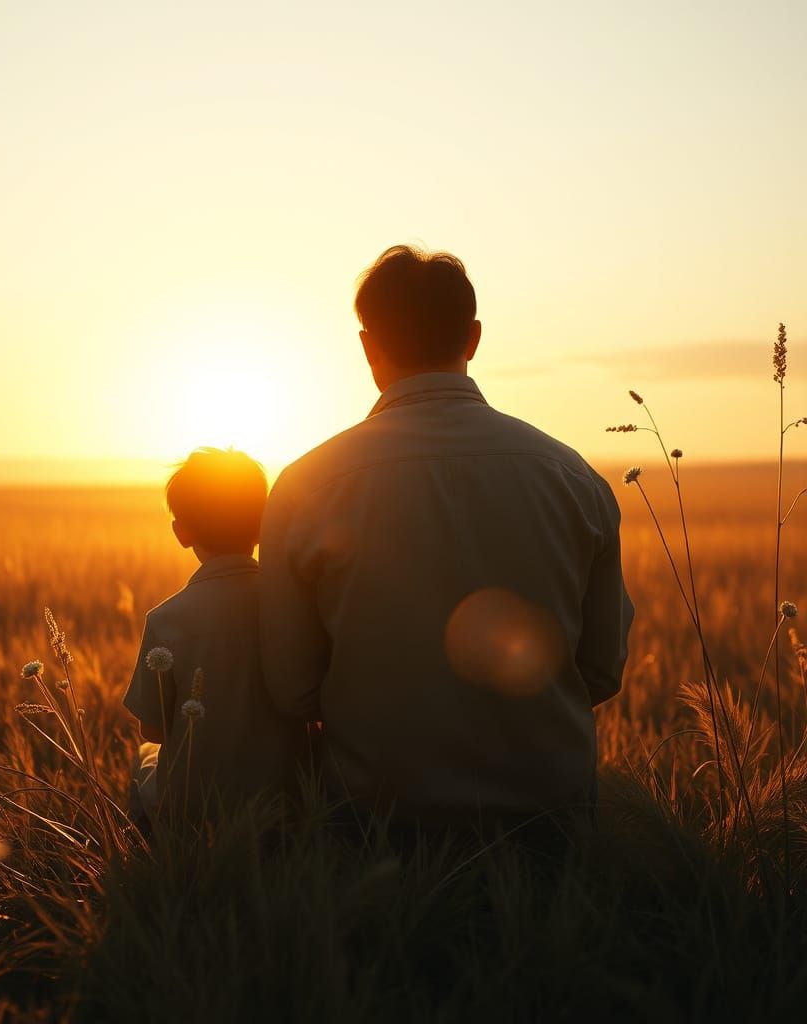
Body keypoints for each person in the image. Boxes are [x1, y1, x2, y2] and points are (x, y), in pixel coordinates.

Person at [259, 245, 633, 845]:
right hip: (552, 826)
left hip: (373, 829)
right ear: (474, 337)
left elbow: (291, 686)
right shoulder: (574, 479)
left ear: (367, 347)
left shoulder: (307, 486)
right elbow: (601, 669)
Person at [124, 448, 299, 822]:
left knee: (144, 758)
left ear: (181, 532)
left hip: (192, 805)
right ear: (262, 524)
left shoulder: (165, 620)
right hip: (288, 800)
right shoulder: (294, 606)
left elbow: (152, 729)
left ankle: (148, 847)